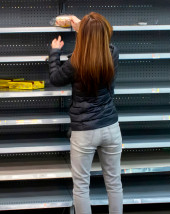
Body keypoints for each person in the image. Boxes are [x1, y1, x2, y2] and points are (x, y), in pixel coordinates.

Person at [49, 12, 122, 214]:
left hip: (84, 131)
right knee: (114, 183)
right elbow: (100, 37)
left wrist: (54, 53)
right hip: (110, 127)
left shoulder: (75, 61)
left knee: (81, 187)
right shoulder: (113, 53)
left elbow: (55, 78)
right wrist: (86, 26)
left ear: (84, 35)